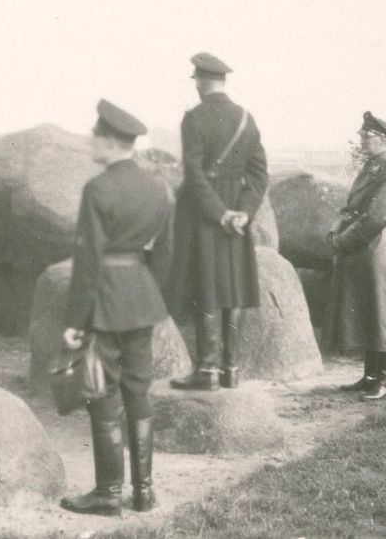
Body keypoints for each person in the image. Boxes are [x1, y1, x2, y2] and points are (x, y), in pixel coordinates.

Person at [59, 99, 173, 517]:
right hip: (141, 297)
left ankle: (108, 494)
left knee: (101, 392)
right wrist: (148, 293)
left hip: (104, 300)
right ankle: (144, 492)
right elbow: (166, 252)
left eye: (95, 135)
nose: (91, 141)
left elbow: (87, 260)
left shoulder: (98, 189)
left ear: (110, 141)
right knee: (139, 390)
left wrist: (74, 321)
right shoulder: (158, 186)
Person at [166, 52, 268, 391]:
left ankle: (206, 371)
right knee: (232, 289)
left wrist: (218, 213)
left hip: (204, 214)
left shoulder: (193, 118)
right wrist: (243, 211)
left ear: (200, 81)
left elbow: (193, 175)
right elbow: (258, 173)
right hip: (236, 214)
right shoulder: (246, 118)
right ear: (222, 82)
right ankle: (231, 370)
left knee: (205, 288)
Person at [324, 112, 386, 401]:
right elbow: (351, 206)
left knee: (381, 314)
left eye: (366, 136)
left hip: (373, 249)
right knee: (370, 312)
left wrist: (343, 240)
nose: (362, 139)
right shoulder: (372, 166)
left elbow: (377, 216)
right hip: (361, 248)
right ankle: (370, 375)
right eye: (362, 135)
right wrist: (335, 231)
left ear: (381, 139)